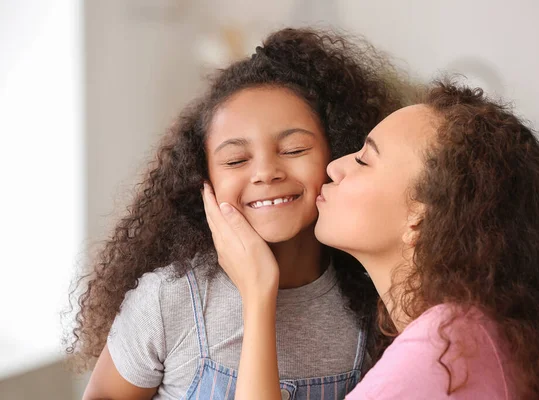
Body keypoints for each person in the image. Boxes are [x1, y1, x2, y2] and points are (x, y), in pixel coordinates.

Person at [68, 27, 414, 400]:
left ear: (337, 155)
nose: (266, 172)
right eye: (236, 159)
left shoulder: (374, 306)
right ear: (204, 181)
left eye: (295, 149)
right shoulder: (169, 299)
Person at [203, 81, 539, 399]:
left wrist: (256, 293)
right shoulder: (474, 330)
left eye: (363, 160)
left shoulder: (441, 355)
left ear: (420, 216)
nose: (335, 167)